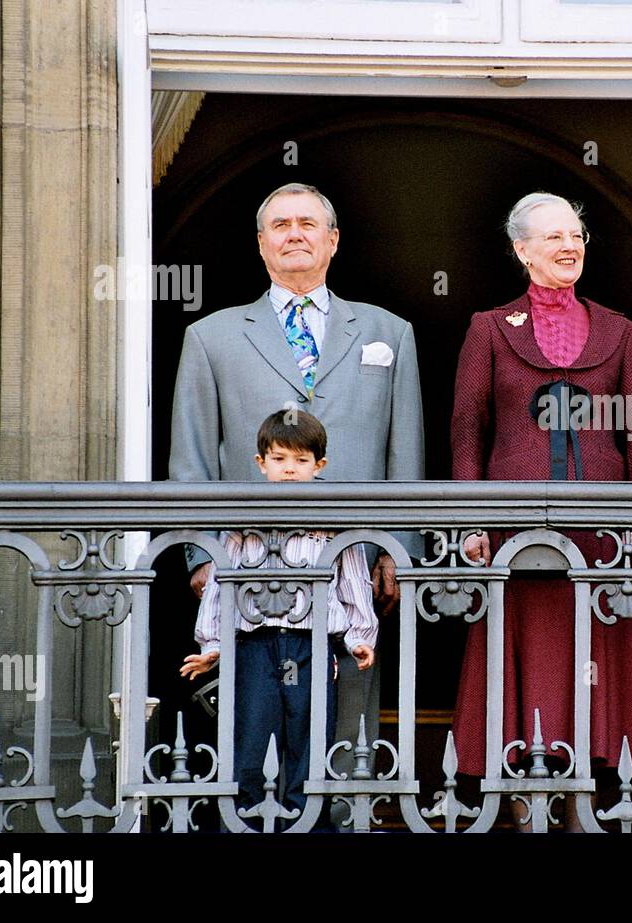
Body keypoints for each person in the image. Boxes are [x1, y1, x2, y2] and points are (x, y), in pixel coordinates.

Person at [169, 182, 424, 783]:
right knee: (250, 719)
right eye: (280, 224)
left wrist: (398, 547)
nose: (295, 234)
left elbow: (405, 451)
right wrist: (199, 553)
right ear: (261, 244)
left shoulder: (390, 331)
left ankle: (339, 812)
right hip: (246, 565)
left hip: (350, 562)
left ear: (333, 241)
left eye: (309, 224)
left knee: (345, 717)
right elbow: (192, 456)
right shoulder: (212, 336)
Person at [450, 192, 632, 827]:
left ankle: (585, 805)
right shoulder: (488, 328)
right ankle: (517, 802)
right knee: (526, 661)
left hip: (601, 538)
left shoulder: (623, 332)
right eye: (552, 238)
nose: (569, 247)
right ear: (522, 251)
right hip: (516, 535)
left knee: (595, 662)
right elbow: (468, 432)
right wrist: (472, 522)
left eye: (576, 236)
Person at [179, 410, 377, 828]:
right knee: (251, 739)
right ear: (261, 462)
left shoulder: (336, 517)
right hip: (255, 645)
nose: (290, 469)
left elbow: (353, 577)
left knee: (309, 739)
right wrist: (211, 645)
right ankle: (245, 821)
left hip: (312, 646)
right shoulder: (242, 518)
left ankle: (309, 824)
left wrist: (359, 635)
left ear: (319, 466)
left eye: (301, 461)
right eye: (280, 459)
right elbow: (221, 582)